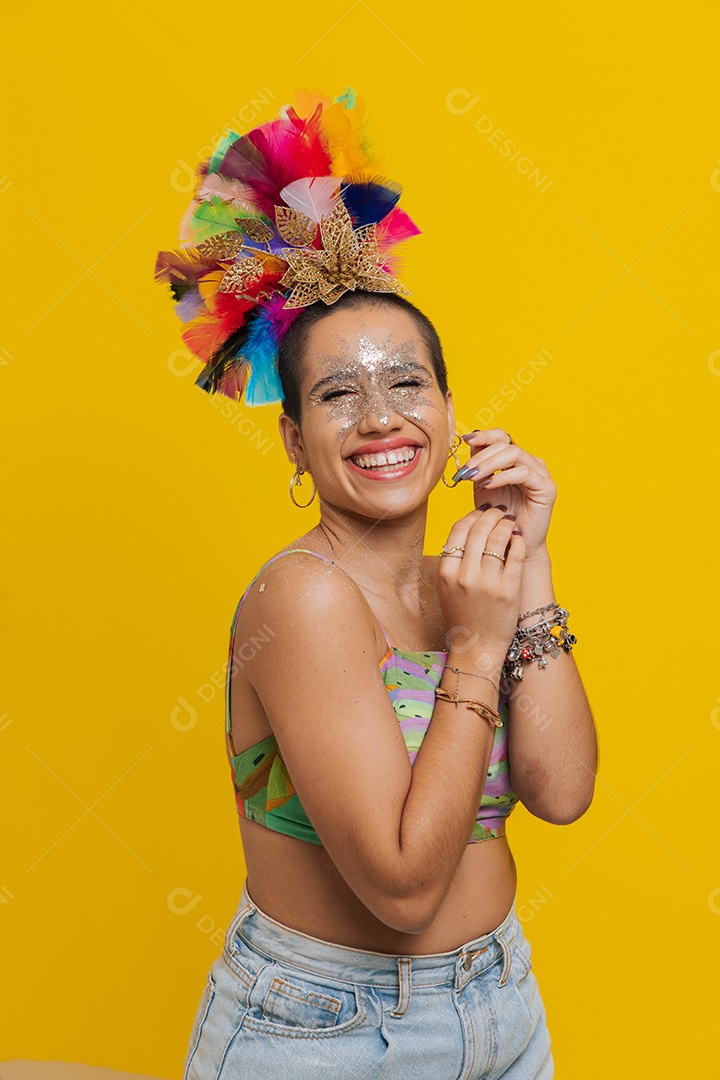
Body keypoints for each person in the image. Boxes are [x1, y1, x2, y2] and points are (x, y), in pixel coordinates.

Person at [155, 89, 597, 1080]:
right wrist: (480, 646)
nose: (378, 417)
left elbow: (562, 791)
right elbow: (400, 890)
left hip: (502, 1006)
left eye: (407, 381)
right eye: (335, 392)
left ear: (447, 408)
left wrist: (529, 565)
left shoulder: (471, 582)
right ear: (294, 441)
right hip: (329, 1033)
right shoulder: (301, 600)